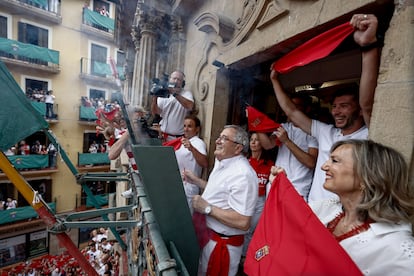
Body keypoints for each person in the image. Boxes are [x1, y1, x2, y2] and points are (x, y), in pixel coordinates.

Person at [269, 14, 380, 202]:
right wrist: (274, 80)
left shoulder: (369, 135)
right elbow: (292, 112)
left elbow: (367, 103)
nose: (336, 111)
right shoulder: (326, 132)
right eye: (335, 106)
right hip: (313, 215)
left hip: (342, 221)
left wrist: (368, 46)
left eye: (344, 106)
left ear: (359, 109)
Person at [308, 139, 414, 274]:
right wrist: (281, 187)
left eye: (335, 161)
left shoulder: (397, 249)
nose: (323, 166)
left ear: (366, 176)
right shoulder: (326, 208)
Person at [184, 125, 258, 276]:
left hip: (222, 245)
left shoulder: (244, 175)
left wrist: (207, 208)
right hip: (207, 236)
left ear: (238, 149)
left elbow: (243, 222)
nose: (218, 141)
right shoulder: (222, 161)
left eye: (224, 138)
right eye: (219, 136)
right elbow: (219, 193)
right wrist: (196, 181)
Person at [257, 95, 318, 201]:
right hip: (275, 183)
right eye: (288, 106)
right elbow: (267, 145)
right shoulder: (284, 127)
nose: (290, 110)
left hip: (297, 188)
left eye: (295, 106)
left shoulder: (312, 131)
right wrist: (257, 125)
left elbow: (311, 163)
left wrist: (286, 141)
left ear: (307, 109)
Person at [241, 133, 273, 259]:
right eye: (251, 140)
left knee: (251, 231)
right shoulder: (244, 161)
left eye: (257, 140)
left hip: (260, 201)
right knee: (243, 229)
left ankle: (245, 258)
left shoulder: (269, 164)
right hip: (245, 199)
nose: (253, 142)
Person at [174, 114, 208, 214]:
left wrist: (192, 148)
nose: (186, 129)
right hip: (178, 185)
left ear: (197, 129)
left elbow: (205, 163)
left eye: (189, 126)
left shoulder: (198, 142)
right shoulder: (182, 142)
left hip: (189, 187)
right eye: (184, 126)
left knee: (185, 217)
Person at [151, 70, 194, 141]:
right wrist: (155, 97)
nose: (176, 81)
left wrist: (174, 93)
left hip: (177, 138)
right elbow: (156, 113)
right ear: (170, 80)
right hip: (162, 135)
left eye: (179, 79)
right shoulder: (163, 94)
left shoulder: (186, 94)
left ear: (182, 83)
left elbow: (189, 106)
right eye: (174, 78)